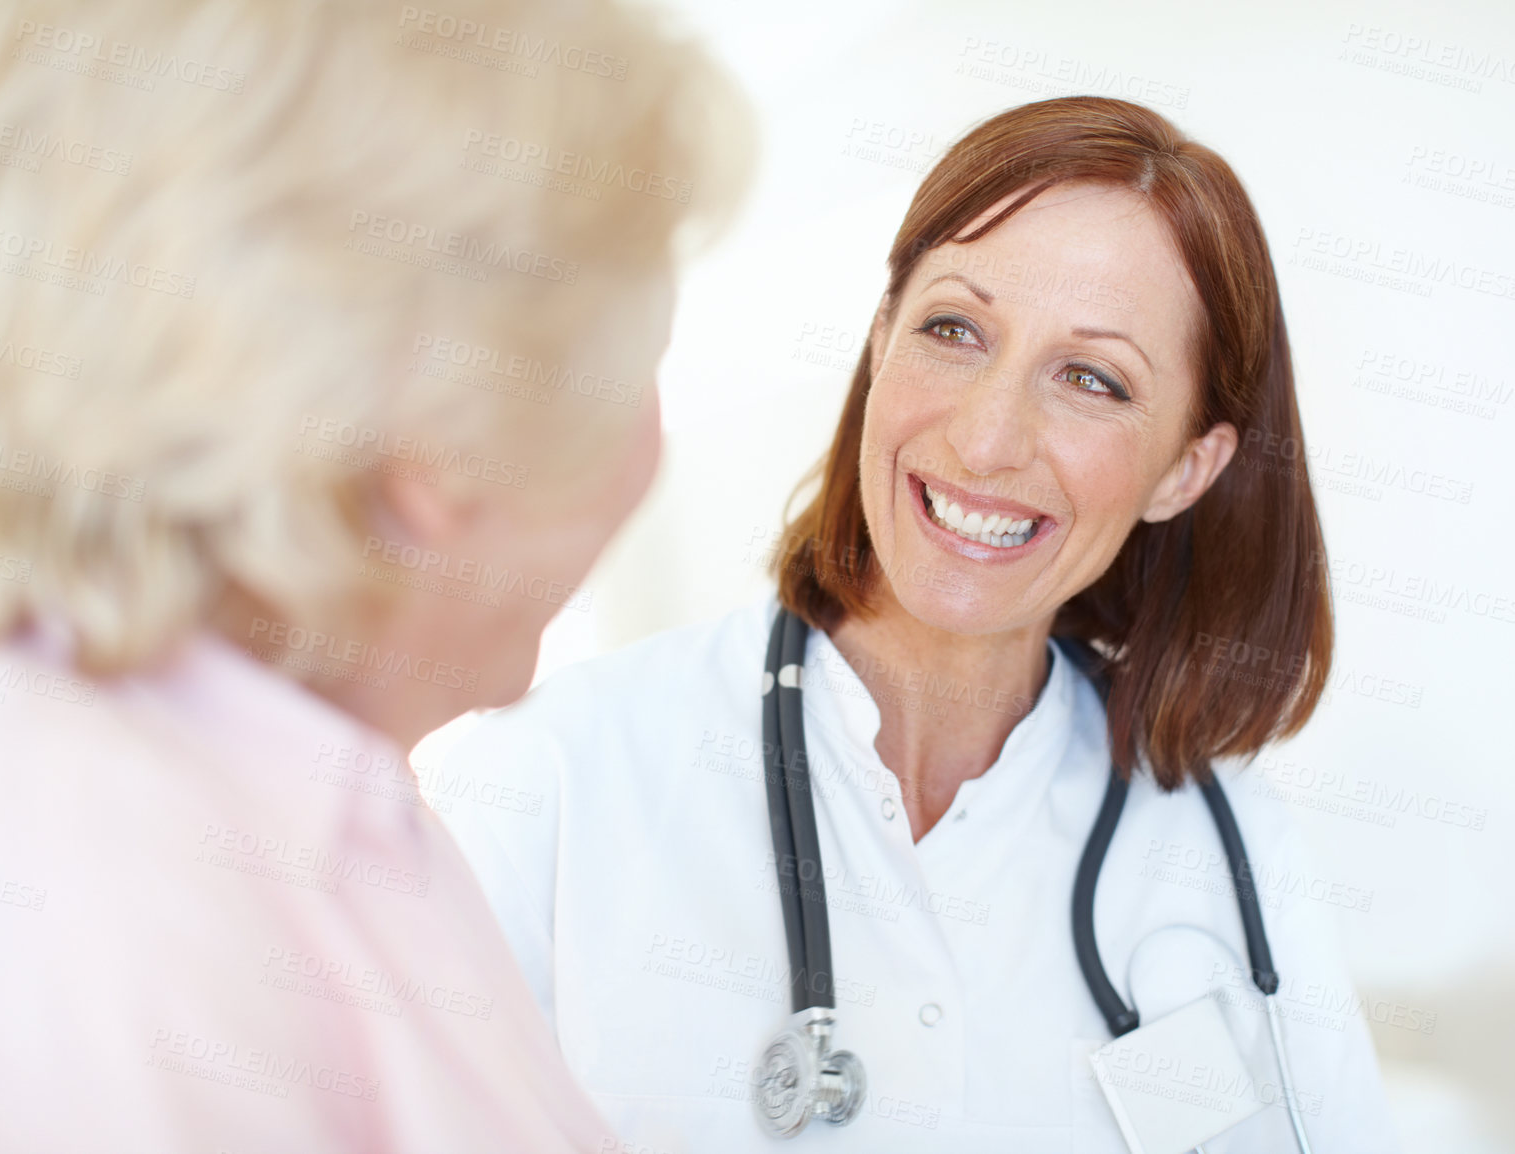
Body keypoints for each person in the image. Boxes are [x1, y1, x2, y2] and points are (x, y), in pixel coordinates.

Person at [436, 96, 1398, 1152]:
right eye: (954, 329)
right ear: (881, 335)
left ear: (1185, 467)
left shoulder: (1227, 849)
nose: (988, 440)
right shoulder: (559, 777)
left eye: (1091, 378)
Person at [0, 1, 746, 1150]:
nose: (649, 448)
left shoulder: (333, 803)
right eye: (640, 365)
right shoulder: (106, 907)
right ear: (453, 445)